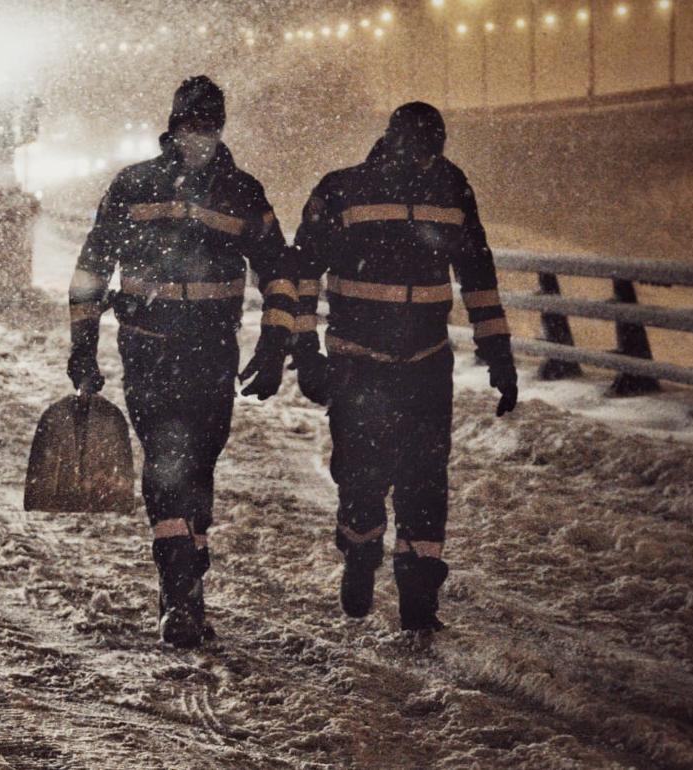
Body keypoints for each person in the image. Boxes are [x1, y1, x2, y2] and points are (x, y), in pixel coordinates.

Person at [66, 76, 296, 648]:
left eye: (209, 125)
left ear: (221, 128)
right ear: (174, 126)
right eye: (192, 124)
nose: (200, 136)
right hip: (149, 350)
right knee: (168, 462)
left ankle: (185, 569)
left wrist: (275, 344)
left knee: (199, 467)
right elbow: (92, 269)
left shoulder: (242, 192)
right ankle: (182, 594)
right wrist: (82, 345)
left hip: (214, 354)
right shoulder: (133, 185)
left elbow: (280, 273)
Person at [289, 102, 517, 645]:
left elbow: (477, 273)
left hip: (426, 363)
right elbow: (300, 273)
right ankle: (361, 549)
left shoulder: (451, 186)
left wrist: (499, 353)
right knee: (361, 479)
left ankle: (419, 601)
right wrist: (304, 352)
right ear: (389, 142)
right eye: (413, 148)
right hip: (356, 363)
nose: (421, 160)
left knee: (425, 482)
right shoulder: (342, 189)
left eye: (429, 150)